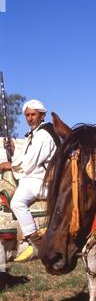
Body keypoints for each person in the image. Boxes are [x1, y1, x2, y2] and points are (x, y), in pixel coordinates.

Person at [0, 99, 60, 262]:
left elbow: (28, 164)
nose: (30, 118)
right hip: (34, 177)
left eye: (33, 114)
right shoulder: (34, 134)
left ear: (42, 116)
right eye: (27, 115)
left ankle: (35, 242)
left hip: (43, 180)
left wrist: (8, 165)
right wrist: (12, 150)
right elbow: (26, 159)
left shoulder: (43, 135)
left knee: (16, 203)